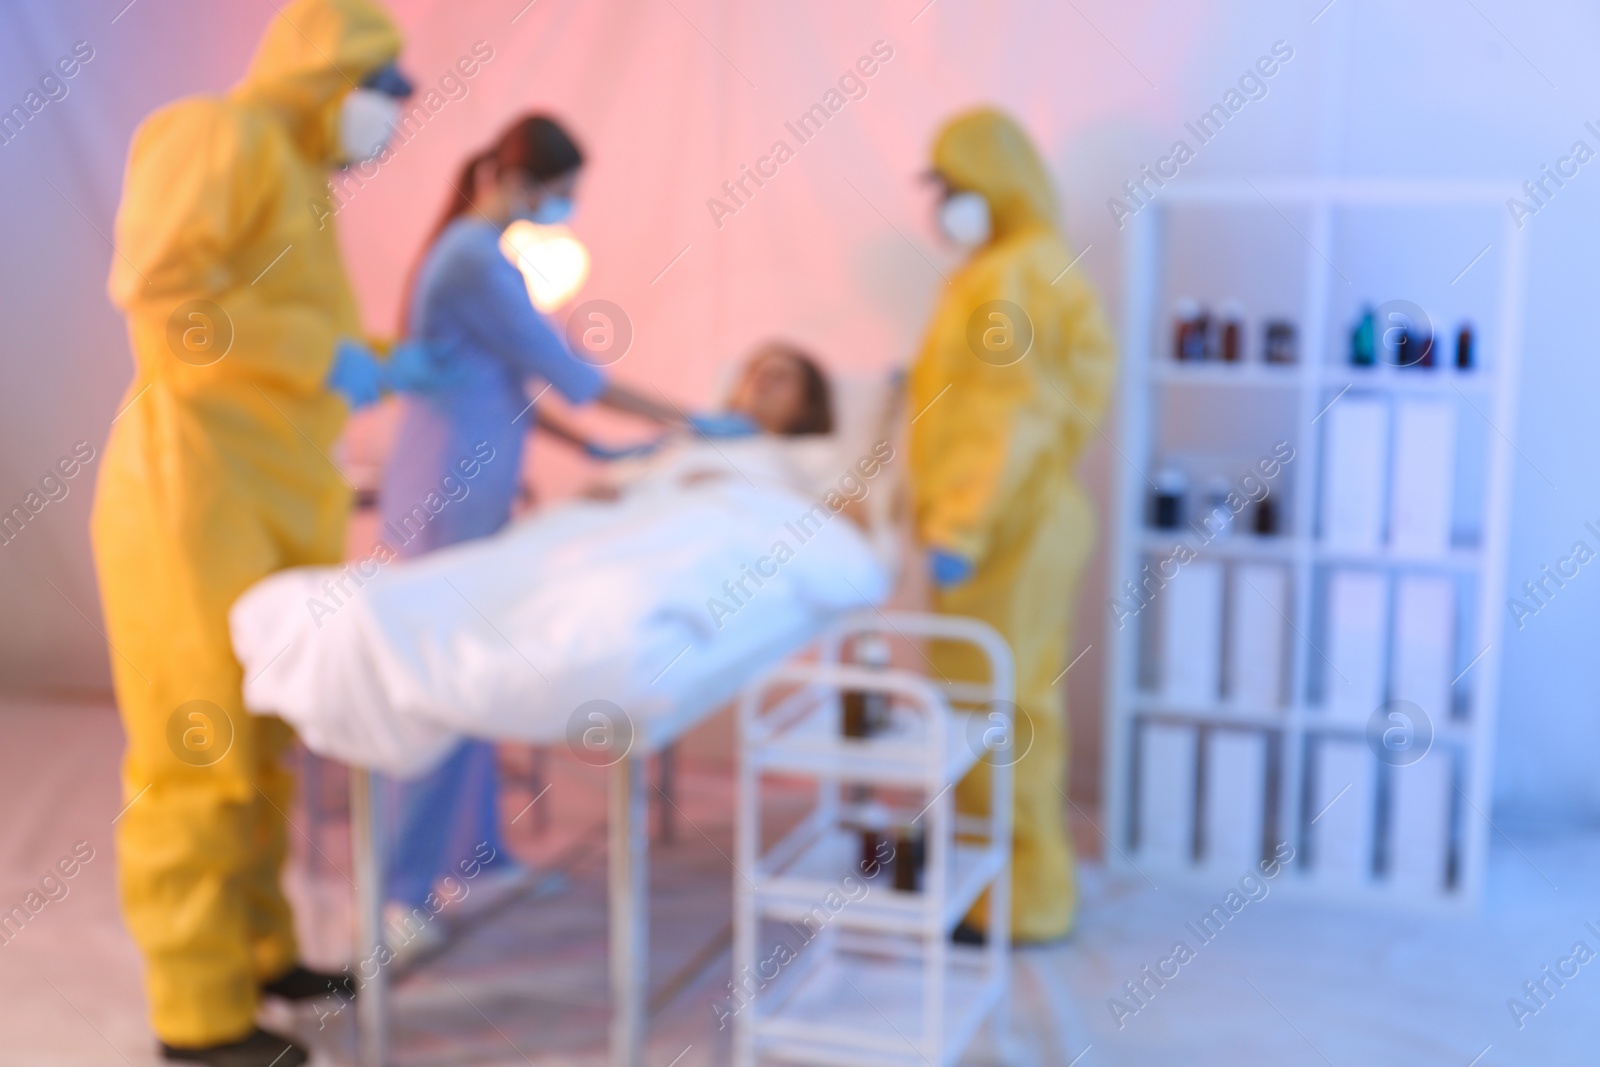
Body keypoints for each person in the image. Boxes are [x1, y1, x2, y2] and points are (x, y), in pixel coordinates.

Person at [91, 2, 433, 1064]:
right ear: (322, 74)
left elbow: (284, 327)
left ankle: (260, 952)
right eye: (383, 85)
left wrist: (377, 356)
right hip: (192, 494)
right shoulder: (219, 133)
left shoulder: (298, 177)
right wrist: (324, 358)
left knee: (266, 747)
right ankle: (199, 1019)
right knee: (199, 755)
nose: (391, 112)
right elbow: (164, 296)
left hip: (275, 493)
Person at [377, 114, 721, 943]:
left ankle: (471, 853)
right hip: (443, 488)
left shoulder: (488, 257)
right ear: (524, 180)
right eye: (562, 196)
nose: (563, 211)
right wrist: (699, 421)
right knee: (439, 681)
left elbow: (514, 381)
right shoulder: (468, 258)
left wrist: (600, 444)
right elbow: (570, 374)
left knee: (471, 675)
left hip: (476, 481)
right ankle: (402, 888)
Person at [907, 107, 1116, 944]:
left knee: (1007, 710)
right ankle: (992, 877)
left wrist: (961, 525)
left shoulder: (1016, 273)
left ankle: (1027, 896)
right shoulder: (1004, 266)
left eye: (953, 187)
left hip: (1003, 530)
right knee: (984, 708)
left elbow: (1016, 412)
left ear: (995, 183)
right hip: (1003, 526)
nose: (942, 205)